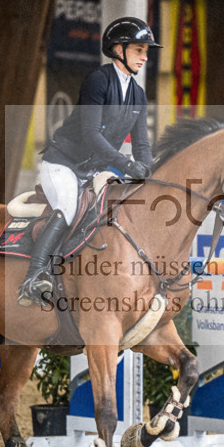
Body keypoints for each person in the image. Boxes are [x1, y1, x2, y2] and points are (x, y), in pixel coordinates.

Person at [17, 16, 161, 307]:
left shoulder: (138, 94)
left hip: (93, 170)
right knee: (68, 206)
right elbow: (92, 135)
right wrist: (126, 164)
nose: (145, 57)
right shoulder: (98, 80)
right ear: (118, 49)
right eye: (138, 50)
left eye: (146, 51)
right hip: (63, 164)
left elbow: (142, 144)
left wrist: (150, 173)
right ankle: (33, 277)